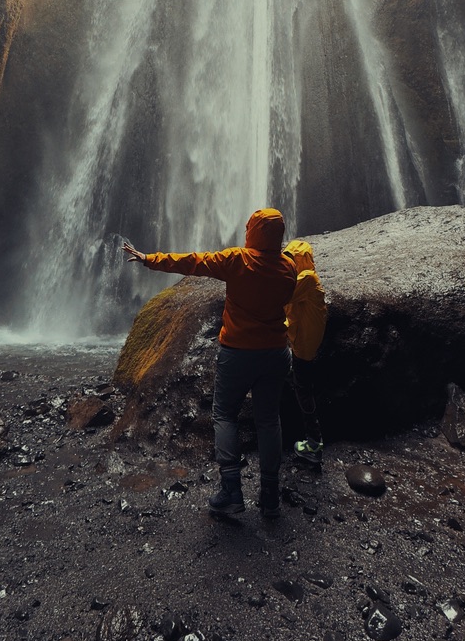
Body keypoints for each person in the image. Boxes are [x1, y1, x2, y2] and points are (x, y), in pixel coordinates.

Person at [123, 209, 297, 518]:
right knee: (269, 420)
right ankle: (270, 494)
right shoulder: (288, 268)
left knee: (225, 415)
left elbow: (193, 261)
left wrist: (150, 258)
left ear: (253, 231)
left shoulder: (237, 260)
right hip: (275, 352)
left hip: (239, 353)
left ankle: (231, 490)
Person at [283, 239, 327, 466]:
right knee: (302, 386)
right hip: (301, 345)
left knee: (303, 391)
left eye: (291, 259)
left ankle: (314, 444)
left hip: (303, 349)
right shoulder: (306, 279)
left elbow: (281, 296)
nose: (287, 264)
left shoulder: (306, 279)